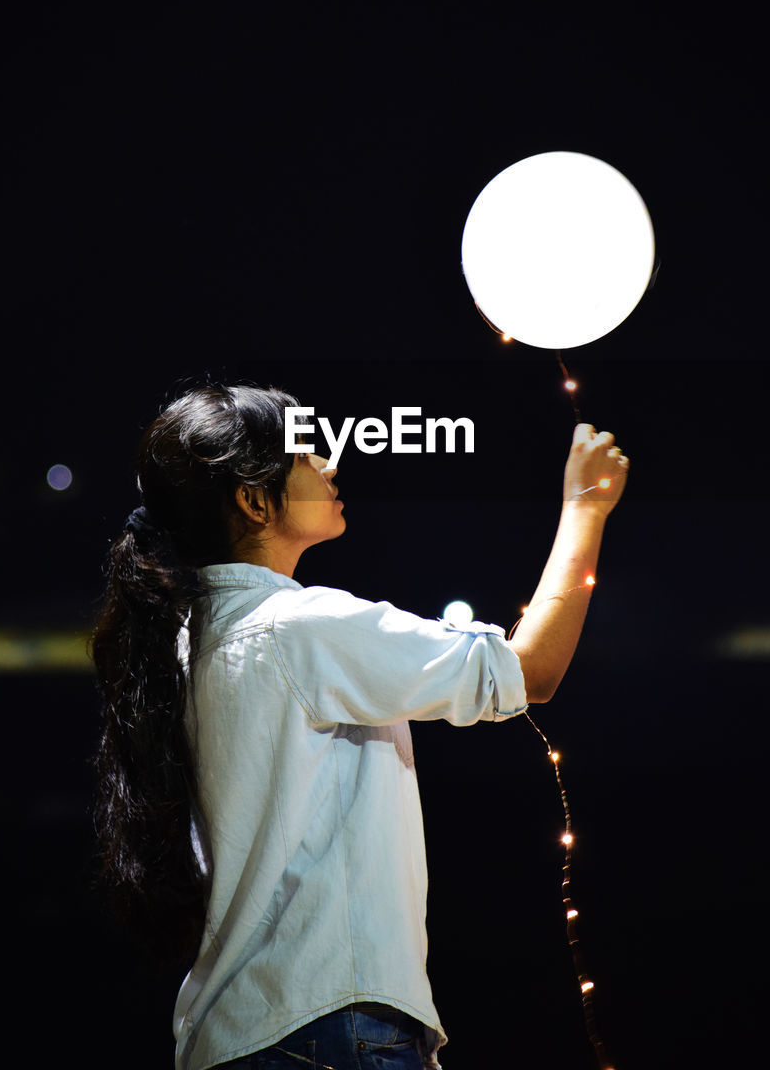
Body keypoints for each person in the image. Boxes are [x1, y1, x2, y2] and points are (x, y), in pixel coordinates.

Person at [90, 382, 628, 1069]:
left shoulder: (188, 643)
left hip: (241, 1034)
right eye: (307, 452)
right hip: (325, 1028)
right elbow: (529, 671)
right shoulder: (299, 627)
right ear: (254, 500)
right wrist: (585, 508)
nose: (330, 464)